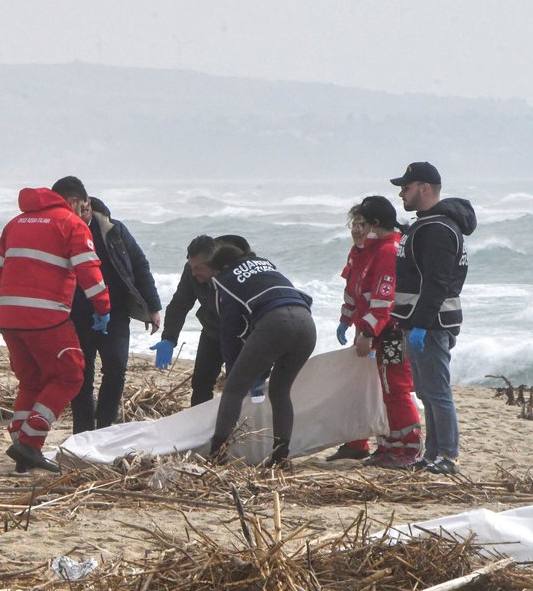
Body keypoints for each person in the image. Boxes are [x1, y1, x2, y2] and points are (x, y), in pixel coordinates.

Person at [0, 183, 111, 473]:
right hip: (46, 318)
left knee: (31, 380)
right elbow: (88, 270)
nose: (84, 212)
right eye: (83, 206)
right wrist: (103, 308)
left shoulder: (15, 223)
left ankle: (21, 442)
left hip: (9, 317)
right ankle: (30, 443)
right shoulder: (71, 224)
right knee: (70, 375)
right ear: (73, 201)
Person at [389, 162, 477, 475]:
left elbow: (436, 283)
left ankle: (448, 456)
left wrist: (421, 326)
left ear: (425, 188)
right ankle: (431, 454)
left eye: (406, 187)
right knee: (426, 392)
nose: (401, 193)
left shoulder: (438, 229)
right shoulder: (426, 225)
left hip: (432, 324)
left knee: (437, 392)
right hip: (420, 321)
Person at [60, 177, 163, 434]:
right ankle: (83, 431)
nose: (81, 214)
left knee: (116, 369)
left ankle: (105, 428)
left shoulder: (113, 230)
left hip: (115, 313)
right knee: (81, 375)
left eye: (84, 209)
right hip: (76, 315)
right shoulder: (61, 232)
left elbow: (139, 265)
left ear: (87, 203)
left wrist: (153, 306)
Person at [326, 196, 423, 468]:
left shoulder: (388, 251)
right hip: (373, 329)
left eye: (363, 223)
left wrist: (368, 333)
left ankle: (408, 448)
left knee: (396, 388)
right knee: (379, 388)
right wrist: (347, 319)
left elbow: (384, 300)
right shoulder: (366, 250)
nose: (358, 229)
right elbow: (356, 289)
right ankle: (387, 446)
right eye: (355, 224)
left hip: (391, 331)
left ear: (375, 223)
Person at [206, 242, 316, 469]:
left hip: (275, 323)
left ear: (222, 268)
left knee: (234, 390)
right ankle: (281, 457)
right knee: (280, 391)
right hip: (306, 324)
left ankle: (217, 454)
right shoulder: (265, 265)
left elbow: (231, 331)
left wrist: (233, 369)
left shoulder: (225, 280)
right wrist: (260, 369)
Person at [153, 234, 252, 406]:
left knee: (238, 385)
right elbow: (180, 303)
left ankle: (237, 421)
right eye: (191, 266)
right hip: (212, 331)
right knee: (200, 382)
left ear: (214, 263)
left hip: (241, 335)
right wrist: (169, 338)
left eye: (198, 267)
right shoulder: (192, 271)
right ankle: (198, 421)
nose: (193, 272)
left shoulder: (239, 270)